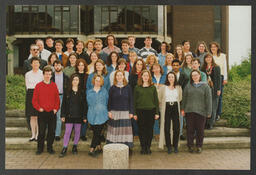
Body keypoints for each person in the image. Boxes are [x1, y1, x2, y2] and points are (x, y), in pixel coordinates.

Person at [181, 70, 212, 153]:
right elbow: (184, 98)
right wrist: (183, 109)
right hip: (189, 111)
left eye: (196, 75)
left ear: (199, 76)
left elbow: (208, 100)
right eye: (193, 75)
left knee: (200, 130)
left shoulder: (205, 86)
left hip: (201, 112)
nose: (194, 77)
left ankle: (199, 146)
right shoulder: (188, 86)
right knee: (190, 129)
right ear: (191, 77)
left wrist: (209, 111)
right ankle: (190, 145)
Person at [32, 66, 60, 155]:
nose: (47, 76)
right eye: (46, 74)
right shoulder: (38, 86)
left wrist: (56, 108)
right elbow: (34, 100)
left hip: (52, 112)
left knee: (51, 131)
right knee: (42, 132)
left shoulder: (54, 85)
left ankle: (49, 148)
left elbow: (57, 99)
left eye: (49, 74)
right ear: (43, 75)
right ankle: (39, 148)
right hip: (42, 112)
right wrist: (39, 108)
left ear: (51, 75)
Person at [59, 74, 87, 157]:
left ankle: (75, 146)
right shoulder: (67, 91)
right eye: (74, 80)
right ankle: (64, 147)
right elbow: (63, 104)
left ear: (79, 82)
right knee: (67, 132)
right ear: (71, 81)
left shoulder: (82, 92)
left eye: (77, 80)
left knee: (77, 132)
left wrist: (84, 116)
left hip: (79, 115)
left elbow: (85, 105)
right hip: (69, 115)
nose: (75, 81)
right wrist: (63, 115)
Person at [107, 70, 134, 153]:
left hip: (125, 112)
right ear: (115, 77)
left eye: (121, 75)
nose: (119, 77)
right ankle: (114, 147)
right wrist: (109, 111)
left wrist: (131, 112)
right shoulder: (112, 88)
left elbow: (131, 100)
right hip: (115, 112)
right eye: (117, 75)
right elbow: (109, 101)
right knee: (115, 131)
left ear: (123, 77)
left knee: (125, 131)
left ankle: (126, 148)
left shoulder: (128, 87)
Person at [133, 70, 159, 154]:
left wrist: (157, 113)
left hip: (151, 111)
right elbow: (134, 102)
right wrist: (134, 113)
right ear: (141, 77)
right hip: (140, 111)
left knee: (149, 130)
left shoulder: (153, 87)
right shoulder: (137, 87)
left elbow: (156, 101)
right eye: (144, 75)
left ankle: (148, 146)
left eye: (147, 76)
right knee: (141, 130)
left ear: (149, 77)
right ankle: (143, 147)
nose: (145, 77)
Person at [158, 72, 182, 154]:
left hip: (175, 107)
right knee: (167, 127)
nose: (171, 78)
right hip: (167, 108)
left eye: (172, 77)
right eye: (169, 77)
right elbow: (159, 99)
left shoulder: (178, 88)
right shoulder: (163, 88)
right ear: (167, 78)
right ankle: (168, 146)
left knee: (176, 127)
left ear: (175, 78)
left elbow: (180, 98)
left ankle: (175, 146)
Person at [87, 75, 109, 157]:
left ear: (102, 82)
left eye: (99, 81)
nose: (97, 82)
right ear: (93, 81)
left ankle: (92, 149)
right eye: (96, 80)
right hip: (92, 114)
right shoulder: (89, 92)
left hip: (102, 115)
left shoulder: (105, 91)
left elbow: (106, 102)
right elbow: (88, 103)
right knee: (97, 132)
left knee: (97, 132)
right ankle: (99, 147)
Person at [25, 57, 43, 141]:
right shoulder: (27, 74)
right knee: (32, 116)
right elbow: (27, 86)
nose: (35, 64)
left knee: (39, 116)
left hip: (40, 94)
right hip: (30, 94)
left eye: (37, 63)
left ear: (39, 64)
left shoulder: (42, 73)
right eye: (34, 63)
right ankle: (33, 135)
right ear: (31, 64)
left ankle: (38, 134)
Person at [201, 53, 221, 129]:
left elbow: (218, 79)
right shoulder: (203, 68)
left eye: (209, 58)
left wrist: (218, 89)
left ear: (212, 58)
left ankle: (211, 124)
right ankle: (205, 122)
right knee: (206, 106)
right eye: (206, 58)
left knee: (213, 106)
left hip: (214, 89)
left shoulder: (216, 67)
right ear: (205, 59)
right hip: (206, 89)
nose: (208, 59)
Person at [51, 60, 69, 141]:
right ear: (53, 67)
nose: (57, 67)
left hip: (62, 97)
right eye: (55, 65)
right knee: (51, 116)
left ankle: (57, 134)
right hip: (52, 98)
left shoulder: (66, 77)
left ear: (62, 66)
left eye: (59, 65)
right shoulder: (51, 77)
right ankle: (51, 133)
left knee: (59, 116)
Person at [209, 41, 228, 121]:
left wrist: (225, 78)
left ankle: (218, 114)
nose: (213, 48)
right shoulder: (209, 56)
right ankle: (212, 113)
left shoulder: (222, 56)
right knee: (211, 96)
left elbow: (224, 67)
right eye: (212, 47)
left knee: (219, 96)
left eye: (215, 47)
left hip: (220, 77)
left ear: (217, 48)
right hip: (211, 78)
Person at [128, 59, 146, 138]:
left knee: (143, 117)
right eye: (137, 64)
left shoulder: (145, 75)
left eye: (141, 64)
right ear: (135, 65)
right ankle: (135, 133)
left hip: (144, 99)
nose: (139, 66)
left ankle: (142, 133)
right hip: (134, 98)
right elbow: (130, 88)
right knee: (134, 117)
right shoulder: (131, 75)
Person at [172, 59, 189, 140]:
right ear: (172, 66)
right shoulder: (169, 74)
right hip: (171, 98)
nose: (175, 66)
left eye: (177, 65)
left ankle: (180, 133)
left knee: (181, 116)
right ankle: (173, 133)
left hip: (181, 98)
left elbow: (185, 88)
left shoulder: (184, 76)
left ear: (179, 66)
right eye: (174, 65)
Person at [150, 63, 166, 139]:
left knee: (164, 117)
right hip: (153, 100)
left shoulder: (165, 77)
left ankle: (163, 133)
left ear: (160, 69)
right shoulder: (150, 78)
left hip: (163, 101)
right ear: (152, 70)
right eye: (154, 68)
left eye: (157, 68)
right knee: (155, 116)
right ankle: (156, 133)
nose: (156, 70)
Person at [75, 59, 89, 141]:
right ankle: (77, 133)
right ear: (77, 66)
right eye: (79, 65)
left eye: (82, 65)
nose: (81, 67)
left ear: (85, 66)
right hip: (76, 97)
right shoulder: (74, 75)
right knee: (77, 115)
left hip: (85, 97)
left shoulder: (88, 76)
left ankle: (83, 134)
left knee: (84, 115)